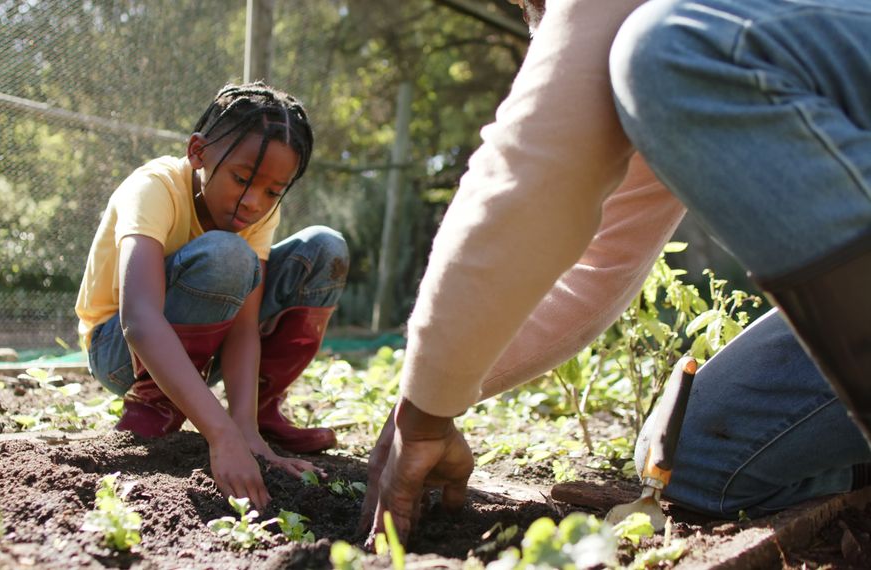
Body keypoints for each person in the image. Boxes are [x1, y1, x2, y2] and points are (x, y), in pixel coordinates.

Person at [361, 0, 871, 544]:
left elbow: (526, 174)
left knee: (668, 47)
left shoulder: (688, 43)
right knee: (697, 458)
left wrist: (421, 420)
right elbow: (594, 266)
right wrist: (424, 406)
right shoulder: (700, 54)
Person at [75, 82, 350, 509]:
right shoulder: (154, 188)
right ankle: (155, 406)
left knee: (324, 249)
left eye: (273, 191)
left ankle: (260, 413)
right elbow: (139, 319)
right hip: (119, 350)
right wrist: (220, 436)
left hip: (204, 348)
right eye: (242, 179)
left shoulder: (256, 212)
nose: (254, 202)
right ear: (198, 152)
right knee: (228, 253)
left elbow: (245, 327)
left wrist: (242, 429)